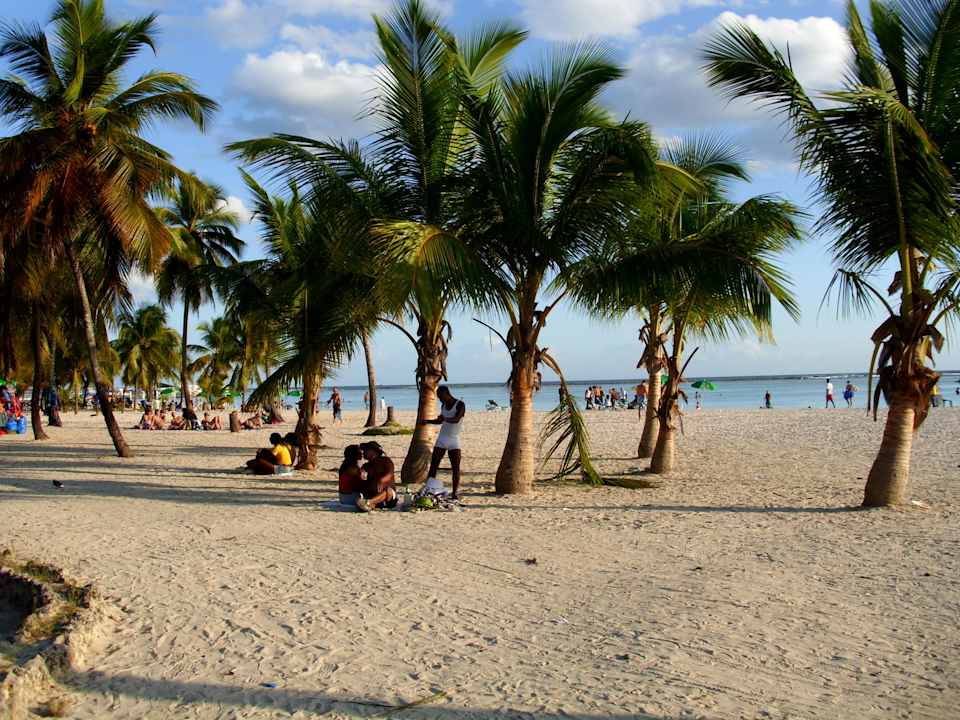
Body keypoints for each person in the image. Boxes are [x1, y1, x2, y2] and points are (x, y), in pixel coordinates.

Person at [421, 385, 465, 500]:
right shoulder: (443, 405)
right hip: (442, 439)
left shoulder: (460, 404)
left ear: (446, 394)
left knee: (455, 468)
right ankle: (429, 489)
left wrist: (445, 418)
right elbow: (440, 420)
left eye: (441, 397)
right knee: (434, 466)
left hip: (454, 440)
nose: (440, 399)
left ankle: (454, 493)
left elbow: (456, 419)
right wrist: (428, 421)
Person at [356, 441, 398, 511]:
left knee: (387, 491)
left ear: (373, 451)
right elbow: (363, 480)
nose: (363, 453)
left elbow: (390, 474)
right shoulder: (366, 466)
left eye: (366, 450)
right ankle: (370, 504)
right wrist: (361, 477)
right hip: (373, 493)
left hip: (388, 494)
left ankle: (369, 502)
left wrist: (381, 480)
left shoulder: (386, 460)